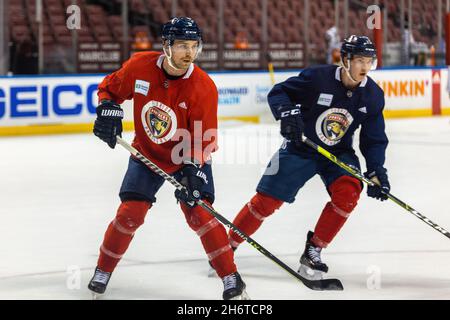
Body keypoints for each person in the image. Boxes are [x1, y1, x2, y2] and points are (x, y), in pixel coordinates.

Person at [88, 17, 249, 300]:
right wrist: (107, 109)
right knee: (129, 215)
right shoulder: (139, 66)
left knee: (201, 215)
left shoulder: (203, 87)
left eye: (194, 46)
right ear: (166, 46)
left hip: (185, 156)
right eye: (182, 46)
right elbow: (110, 89)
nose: (189, 53)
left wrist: (193, 168)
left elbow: (204, 139)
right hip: (146, 154)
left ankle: (230, 277)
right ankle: (103, 269)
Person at [226, 35, 389, 280]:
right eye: (359, 61)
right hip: (300, 148)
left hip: (337, 153)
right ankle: (228, 246)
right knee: (265, 202)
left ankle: (314, 249)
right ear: (345, 59)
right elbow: (279, 92)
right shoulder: (318, 78)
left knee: (349, 192)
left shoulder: (373, 95)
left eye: (370, 61)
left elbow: (373, 138)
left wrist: (376, 170)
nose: (365, 68)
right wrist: (288, 114)